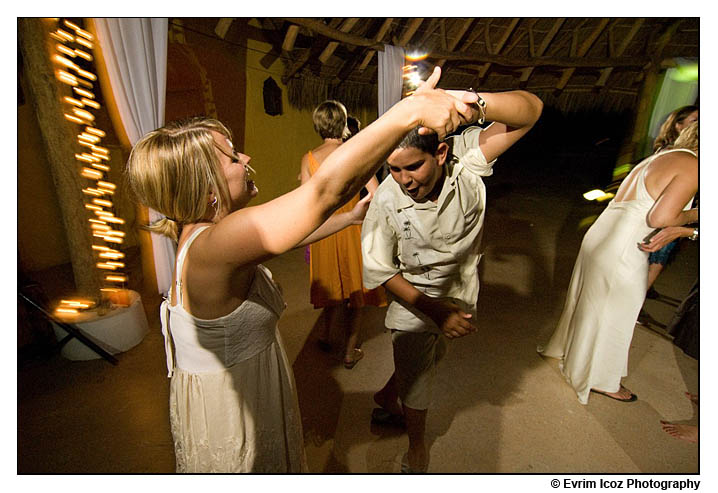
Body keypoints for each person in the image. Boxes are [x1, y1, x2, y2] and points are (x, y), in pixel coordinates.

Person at [125, 66, 476, 472]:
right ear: (205, 187)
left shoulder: (203, 239)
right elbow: (325, 190)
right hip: (237, 412)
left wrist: (347, 220)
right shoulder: (216, 246)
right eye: (233, 155)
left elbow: (288, 236)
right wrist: (407, 113)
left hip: (236, 389)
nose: (247, 157)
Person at [361, 88, 543, 472]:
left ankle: (385, 396)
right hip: (415, 301)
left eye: (413, 167)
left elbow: (531, 111)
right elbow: (380, 271)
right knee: (419, 378)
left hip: (460, 293)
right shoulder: (387, 200)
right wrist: (434, 311)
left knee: (427, 360)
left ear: (441, 153)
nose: (404, 180)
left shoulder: (468, 159)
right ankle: (416, 446)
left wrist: (471, 100)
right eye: (393, 169)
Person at [538, 122, 698, 404]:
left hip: (603, 235)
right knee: (619, 312)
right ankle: (602, 380)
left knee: (588, 302)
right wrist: (695, 214)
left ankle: (568, 352)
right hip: (626, 246)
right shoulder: (693, 166)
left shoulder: (663, 155)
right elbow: (660, 219)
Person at [300, 100, 386, 369]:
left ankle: (325, 336)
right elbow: (377, 192)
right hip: (352, 228)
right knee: (355, 293)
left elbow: (306, 200)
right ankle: (350, 351)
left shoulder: (309, 158)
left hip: (325, 231)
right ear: (343, 122)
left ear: (318, 125)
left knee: (332, 288)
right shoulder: (355, 153)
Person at [644, 106, 698, 295]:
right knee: (655, 262)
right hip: (667, 215)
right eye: (694, 120)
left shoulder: (672, 154)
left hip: (670, 215)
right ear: (678, 125)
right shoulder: (679, 156)